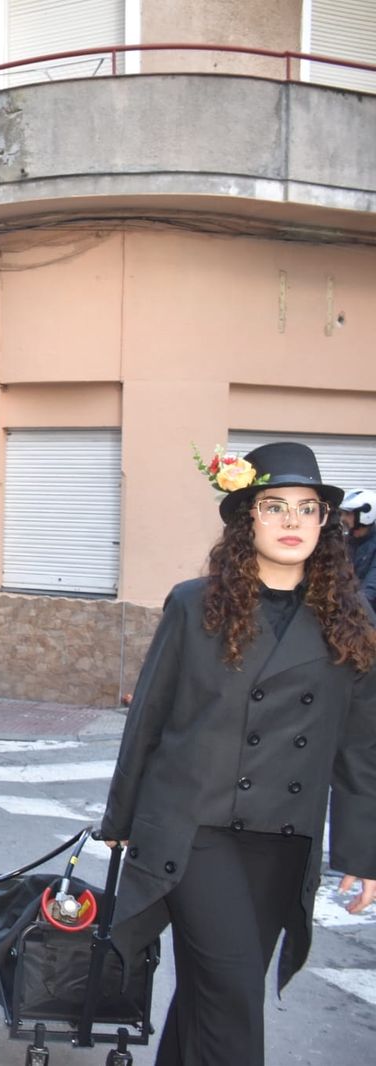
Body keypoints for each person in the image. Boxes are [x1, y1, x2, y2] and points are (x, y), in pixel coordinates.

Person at [101, 441, 376, 1066]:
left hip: (283, 838)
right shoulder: (195, 603)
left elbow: (361, 747)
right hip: (194, 830)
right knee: (231, 997)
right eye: (274, 506)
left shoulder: (352, 619)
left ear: (325, 523)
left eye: (306, 509)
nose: (290, 522)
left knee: (216, 992)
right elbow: (148, 719)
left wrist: (364, 855)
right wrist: (119, 823)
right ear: (246, 515)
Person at [340, 488, 376, 610]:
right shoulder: (347, 540)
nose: (343, 518)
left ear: (365, 514)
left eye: (348, 514)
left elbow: (370, 592)